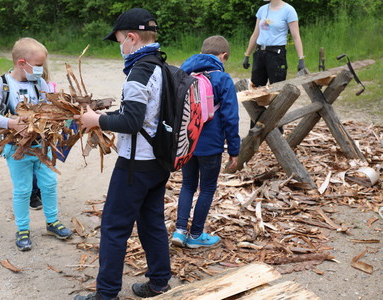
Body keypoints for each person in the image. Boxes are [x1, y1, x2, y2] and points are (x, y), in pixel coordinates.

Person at [73, 8, 171, 300]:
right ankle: (159, 283)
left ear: (131, 37)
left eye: (119, 40)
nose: (120, 47)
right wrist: (108, 114)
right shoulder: (161, 66)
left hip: (135, 166)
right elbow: (145, 114)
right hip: (158, 161)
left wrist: (97, 121)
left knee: (115, 228)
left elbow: (132, 122)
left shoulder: (139, 72)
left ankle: (106, 294)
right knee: (151, 221)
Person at [0, 37, 72, 251]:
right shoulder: (3, 84)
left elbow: (50, 106)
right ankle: (23, 228)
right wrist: (12, 122)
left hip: (42, 146)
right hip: (17, 149)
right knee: (22, 190)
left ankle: (52, 222)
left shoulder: (38, 83)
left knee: (49, 184)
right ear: (22, 63)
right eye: (39, 65)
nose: (42, 70)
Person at [171, 36, 240, 249]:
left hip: (187, 141)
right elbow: (231, 117)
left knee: (188, 185)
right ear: (224, 56)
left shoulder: (184, 75)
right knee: (207, 188)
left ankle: (180, 230)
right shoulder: (222, 79)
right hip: (211, 145)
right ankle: (197, 235)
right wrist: (234, 150)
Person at [242, 0, 305, 87]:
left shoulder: (289, 10)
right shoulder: (262, 9)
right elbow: (255, 34)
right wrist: (247, 55)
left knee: (276, 88)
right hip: (260, 53)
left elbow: (296, 37)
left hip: (276, 54)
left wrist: (301, 59)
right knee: (256, 88)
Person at [29, 59, 57, 211]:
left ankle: (40, 191)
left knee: (45, 162)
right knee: (33, 164)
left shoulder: (48, 86)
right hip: (32, 134)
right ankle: (33, 194)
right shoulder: (27, 86)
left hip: (46, 134)